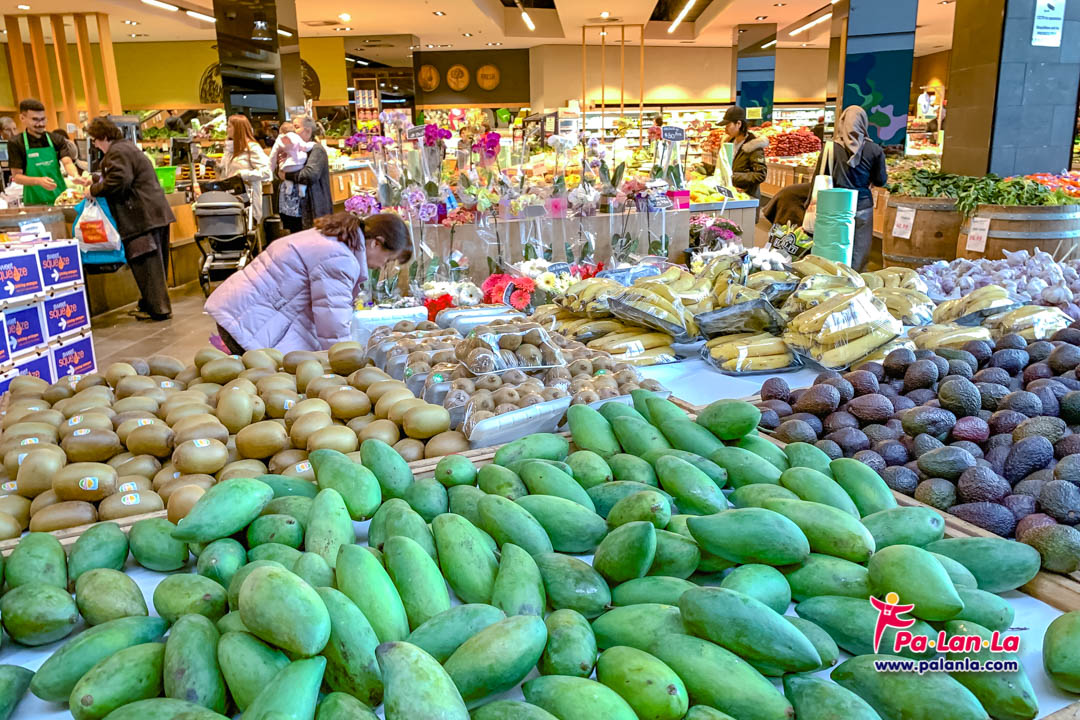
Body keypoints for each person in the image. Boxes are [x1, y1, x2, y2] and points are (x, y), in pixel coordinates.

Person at [205, 211, 412, 353]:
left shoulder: (332, 238)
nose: (382, 266)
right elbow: (333, 324)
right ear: (376, 243)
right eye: (388, 259)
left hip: (240, 310)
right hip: (248, 322)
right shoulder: (340, 258)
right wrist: (346, 362)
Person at [87, 116, 176, 320]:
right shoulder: (126, 147)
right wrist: (95, 179)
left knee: (146, 264)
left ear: (103, 137)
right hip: (154, 213)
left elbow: (119, 180)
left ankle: (158, 309)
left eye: (95, 140)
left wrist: (93, 189)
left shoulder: (116, 152)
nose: (95, 145)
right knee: (155, 266)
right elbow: (125, 175)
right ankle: (151, 305)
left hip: (140, 217)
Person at [809, 105, 887, 272]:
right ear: (864, 123)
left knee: (833, 246)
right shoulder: (875, 150)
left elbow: (818, 178)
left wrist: (809, 204)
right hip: (862, 204)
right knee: (860, 248)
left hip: (834, 206)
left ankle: (834, 277)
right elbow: (881, 180)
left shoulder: (831, 148)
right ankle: (856, 278)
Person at [10, 98, 86, 205]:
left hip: (60, 199)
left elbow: (67, 162)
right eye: (35, 119)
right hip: (34, 202)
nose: (40, 124)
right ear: (22, 118)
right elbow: (17, 177)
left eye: (43, 119)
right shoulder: (16, 143)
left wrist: (75, 175)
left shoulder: (56, 139)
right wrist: (38, 181)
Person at [277, 113, 331, 232]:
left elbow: (310, 175)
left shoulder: (316, 149)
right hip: (290, 209)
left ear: (308, 131)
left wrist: (287, 175)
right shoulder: (291, 148)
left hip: (308, 209)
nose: (293, 130)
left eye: (296, 127)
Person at [221, 114, 271, 224]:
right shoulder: (229, 150)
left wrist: (243, 174)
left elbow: (267, 172)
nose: (227, 129)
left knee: (248, 227)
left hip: (248, 200)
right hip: (231, 199)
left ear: (238, 129)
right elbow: (225, 171)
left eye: (229, 126)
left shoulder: (252, 148)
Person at [723, 106, 768, 199]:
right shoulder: (730, 143)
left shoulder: (754, 146)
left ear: (738, 124)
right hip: (732, 193)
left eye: (728, 126)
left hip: (747, 196)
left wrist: (732, 176)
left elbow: (760, 175)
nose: (725, 130)